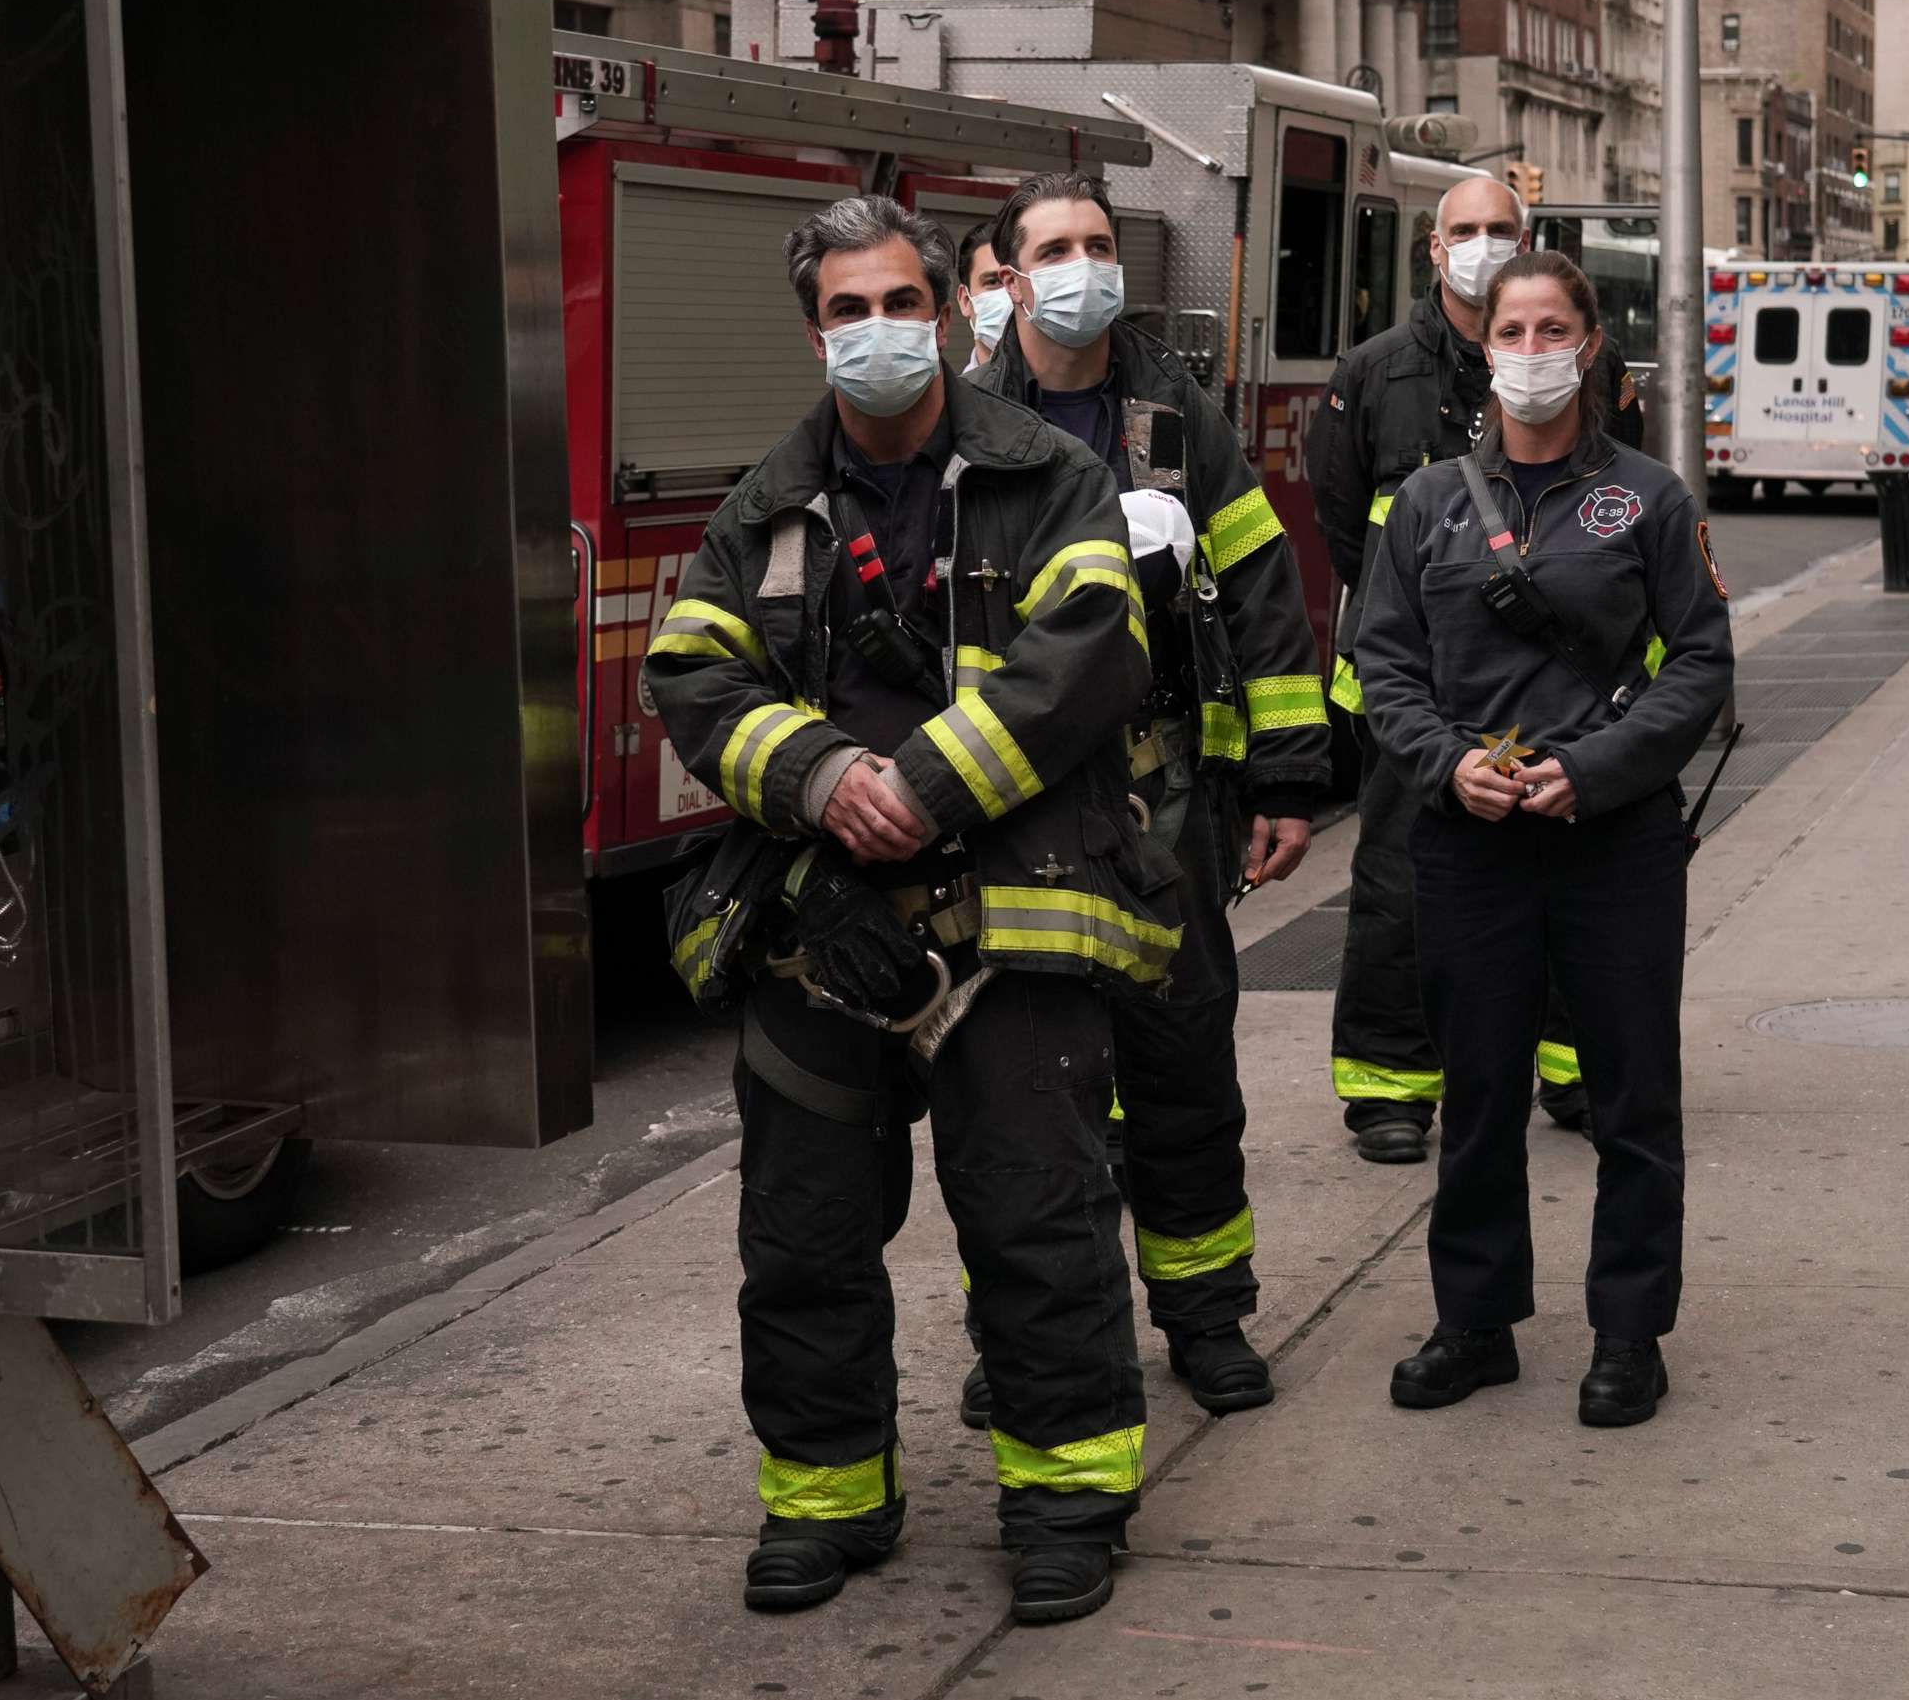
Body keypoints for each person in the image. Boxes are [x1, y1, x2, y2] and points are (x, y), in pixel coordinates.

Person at [642, 194, 1181, 1625]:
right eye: (845, 312)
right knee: (802, 1236)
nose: (875, 331)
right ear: (811, 329)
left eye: (898, 303)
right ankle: (828, 1501)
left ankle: (1067, 1497)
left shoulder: (1046, 474)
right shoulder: (761, 505)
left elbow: (1095, 645)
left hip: (1015, 919)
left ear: (945, 309)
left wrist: (920, 788)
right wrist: (823, 783)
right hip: (821, 926)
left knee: (1037, 1218)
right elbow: (693, 674)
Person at [967, 171, 1332, 1420]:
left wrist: (1286, 776)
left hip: (1162, 793)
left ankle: (1207, 1318)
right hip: (1011, 803)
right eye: (1056, 248)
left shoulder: (1178, 413)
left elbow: (1269, 592)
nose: (1084, 266)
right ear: (1009, 275)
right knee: (1023, 1094)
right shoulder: (959, 423)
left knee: (1181, 1068)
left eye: (1100, 244)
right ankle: (1025, 1333)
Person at [1353, 251, 1732, 1427]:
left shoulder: (1650, 500)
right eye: (1510, 330)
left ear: (1588, 345)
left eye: (1550, 327)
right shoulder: (1425, 508)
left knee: (1632, 1095)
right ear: (1487, 351)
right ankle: (1475, 1323)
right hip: (1469, 843)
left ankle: (1629, 1333)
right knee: (1477, 1095)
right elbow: (1384, 666)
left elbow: (1704, 666)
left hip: (1612, 844)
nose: (1528, 350)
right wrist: (1445, 764)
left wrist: (1596, 771)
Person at [1307, 176, 1594, 1166]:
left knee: (1567, 874)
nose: (1479, 244)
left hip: (1550, 679)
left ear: (1529, 240)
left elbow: (1615, 516)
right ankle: (1390, 1085)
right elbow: (1344, 528)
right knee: (1397, 888)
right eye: (1462, 231)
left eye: (1498, 229)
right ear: (1433, 251)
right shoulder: (1372, 372)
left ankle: (1572, 1065)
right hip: (1411, 692)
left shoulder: (1574, 365)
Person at [956, 225, 1012, 372]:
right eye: (993, 282)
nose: (1010, 295)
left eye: (1015, 280)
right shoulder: (952, 395)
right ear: (966, 301)